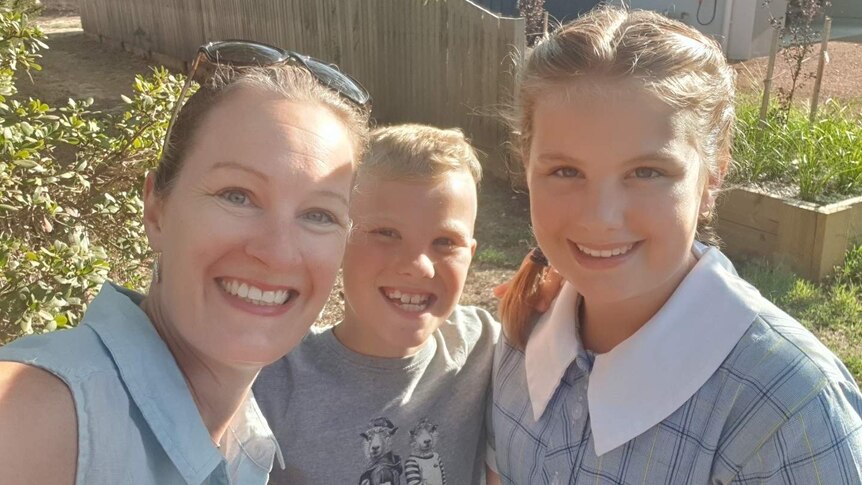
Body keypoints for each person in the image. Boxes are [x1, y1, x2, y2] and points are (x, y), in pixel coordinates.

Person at [493, 7, 862, 484]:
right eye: (565, 171)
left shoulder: (789, 412)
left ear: (714, 174)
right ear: (527, 164)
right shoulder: (519, 338)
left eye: (647, 172)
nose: (600, 219)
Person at [0, 40, 371, 484]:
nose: (277, 252)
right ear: (157, 210)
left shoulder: (245, 441)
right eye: (238, 195)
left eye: (318, 215)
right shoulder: (36, 415)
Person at [254, 124, 501, 485]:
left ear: (470, 255)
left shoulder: (484, 348)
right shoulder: (274, 381)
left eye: (445, 242)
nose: (418, 266)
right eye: (386, 233)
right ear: (338, 239)